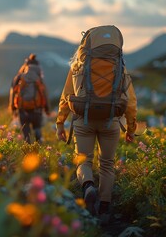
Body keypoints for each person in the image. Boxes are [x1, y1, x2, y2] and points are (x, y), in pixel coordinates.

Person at [55, 25, 137, 223]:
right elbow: (131, 102)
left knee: (83, 161)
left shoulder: (77, 67)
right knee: (107, 165)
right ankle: (105, 210)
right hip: (111, 122)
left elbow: (66, 97)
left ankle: (88, 186)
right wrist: (131, 129)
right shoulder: (120, 68)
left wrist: (60, 123)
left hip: (84, 120)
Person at [9, 54, 50, 144]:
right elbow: (44, 93)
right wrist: (47, 108)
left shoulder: (19, 77)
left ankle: (28, 152)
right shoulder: (39, 77)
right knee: (37, 129)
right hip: (37, 109)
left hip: (22, 109)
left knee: (26, 133)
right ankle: (40, 150)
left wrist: (13, 107)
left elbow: (13, 92)